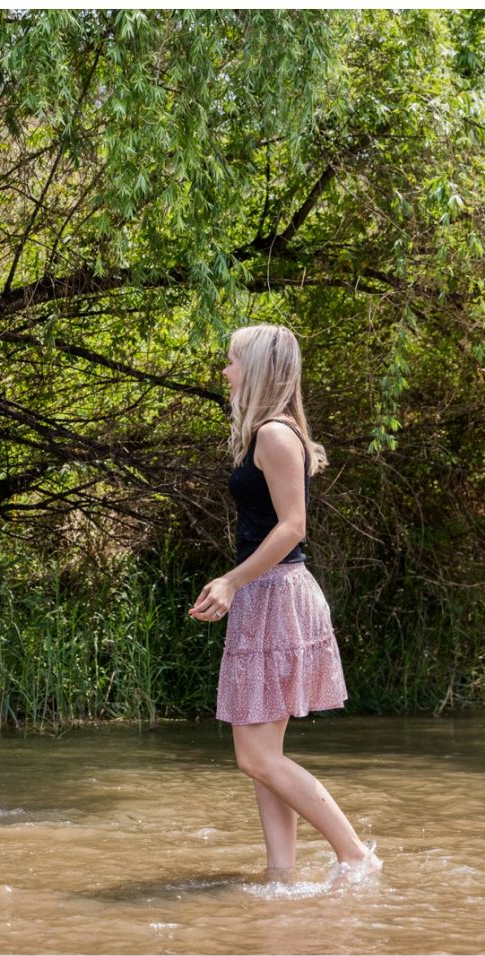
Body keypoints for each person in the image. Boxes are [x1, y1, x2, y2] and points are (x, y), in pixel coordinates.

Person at [188, 322, 380, 884]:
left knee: (255, 756)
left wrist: (229, 582)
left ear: (258, 369)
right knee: (263, 759)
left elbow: (294, 527)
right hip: (265, 594)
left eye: (231, 362)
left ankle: (355, 856)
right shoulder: (267, 434)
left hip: (277, 594)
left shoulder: (275, 434)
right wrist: (237, 586)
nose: (224, 372)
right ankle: (281, 875)